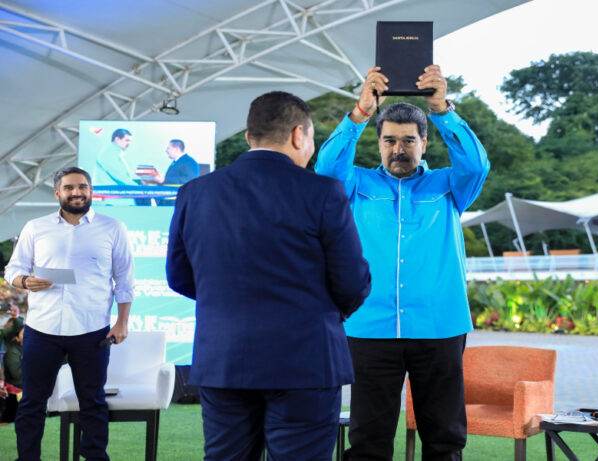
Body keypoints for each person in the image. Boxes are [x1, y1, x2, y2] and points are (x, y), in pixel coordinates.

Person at [166, 91, 371, 460]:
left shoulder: (194, 192)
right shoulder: (323, 191)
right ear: (298, 135)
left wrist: (227, 301)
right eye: (311, 138)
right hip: (305, 360)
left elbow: (178, 275)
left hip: (222, 359)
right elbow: (352, 281)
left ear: (249, 137)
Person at [315, 65, 490, 460]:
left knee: (444, 437)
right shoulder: (356, 185)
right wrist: (360, 113)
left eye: (409, 140)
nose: (399, 149)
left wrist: (442, 109)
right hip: (369, 326)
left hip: (439, 325)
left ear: (424, 143)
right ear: (378, 143)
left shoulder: (449, 186)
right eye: (390, 140)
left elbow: (477, 166)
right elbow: (325, 168)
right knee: (368, 439)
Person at [4, 166, 135, 461]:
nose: (77, 192)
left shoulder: (113, 228)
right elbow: (14, 269)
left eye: (82, 187)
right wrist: (24, 281)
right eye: (69, 187)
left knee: (93, 401)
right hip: (42, 330)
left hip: (92, 331)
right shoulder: (36, 227)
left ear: (91, 191)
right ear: (57, 193)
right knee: (33, 402)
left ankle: (95, 457)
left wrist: (122, 322)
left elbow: (125, 279)